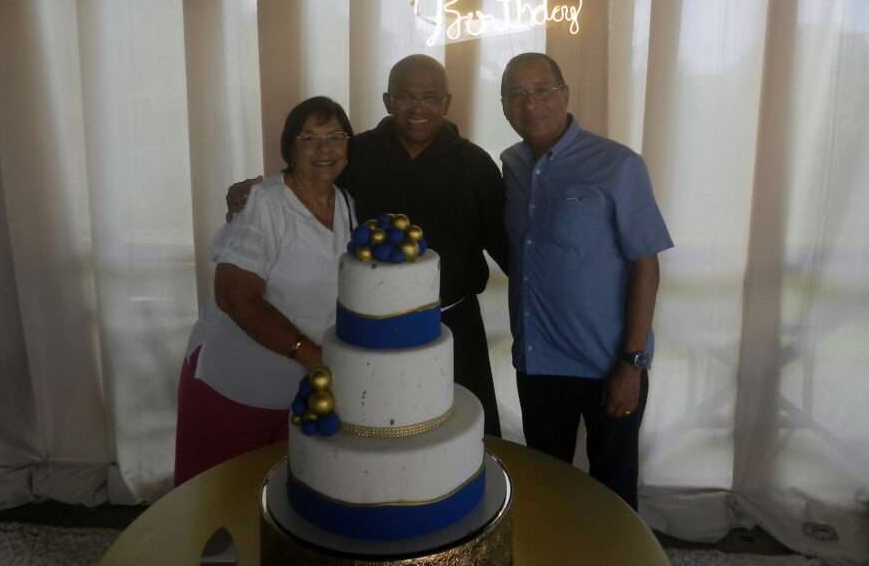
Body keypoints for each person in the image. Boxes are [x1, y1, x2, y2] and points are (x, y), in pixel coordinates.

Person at [227, 55, 508, 436]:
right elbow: (305, 187)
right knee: (375, 435)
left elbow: (505, 245)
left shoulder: (476, 165)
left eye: (430, 97)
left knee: (461, 433)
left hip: (453, 324)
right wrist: (251, 194)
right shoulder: (355, 153)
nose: (418, 108)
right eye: (406, 96)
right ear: (387, 101)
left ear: (447, 102)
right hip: (369, 325)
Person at [499, 52, 673, 510]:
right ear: (504, 106)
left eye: (542, 90)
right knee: (547, 489)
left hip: (608, 363)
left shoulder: (618, 165)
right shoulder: (511, 164)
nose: (530, 103)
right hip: (538, 362)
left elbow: (646, 268)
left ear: (564, 94)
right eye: (516, 94)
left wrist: (631, 363)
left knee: (613, 495)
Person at [174, 97, 356, 486]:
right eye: (309, 138)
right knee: (217, 499)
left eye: (335, 137)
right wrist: (313, 356)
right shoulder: (267, 201)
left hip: (298, 393)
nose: (324, 148)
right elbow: (234, 297)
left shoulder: (348, 204)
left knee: (276, 499)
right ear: (290, 147)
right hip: (236, 384)